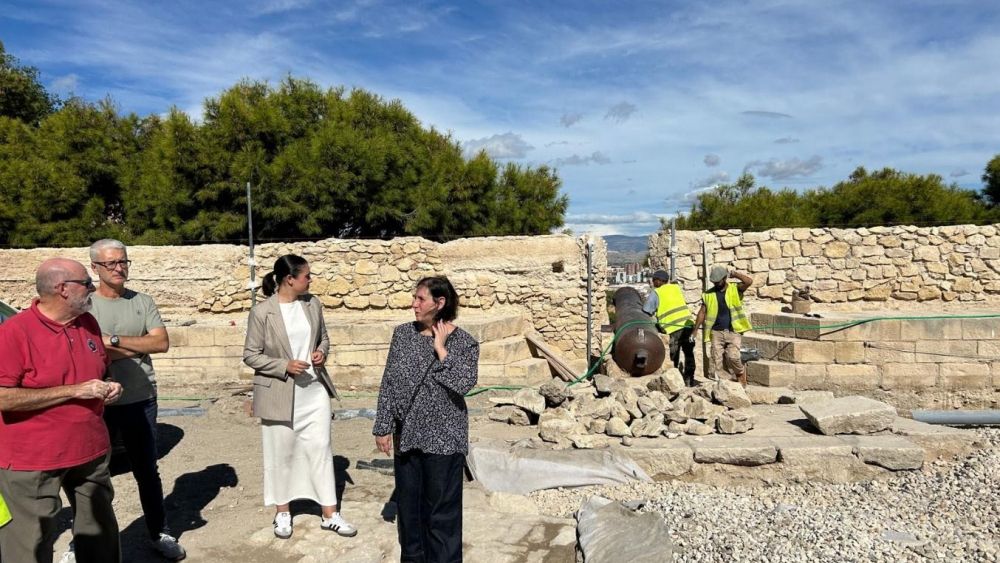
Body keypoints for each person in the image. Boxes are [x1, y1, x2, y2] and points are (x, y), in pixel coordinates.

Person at [0, 258, 123, 563]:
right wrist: (73, 391)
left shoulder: (88, 323)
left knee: (101, 536)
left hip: (90, 452)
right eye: (86, 283)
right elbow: (2, 397)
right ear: (62, 289)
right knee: (28, 544)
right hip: (33, 460)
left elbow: (102, 370)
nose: (93, 287)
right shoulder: (14, 332)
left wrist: (111, 385)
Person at [242, 254, 357, 539]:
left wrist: (321, 353)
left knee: (320, 449)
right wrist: (284, 365)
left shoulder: (312, 304)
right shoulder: (261, 312)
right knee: (281, 452)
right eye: (306, 275)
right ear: (289, 279)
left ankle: (329, 513)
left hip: (314, 391)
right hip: (279, 393)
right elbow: (250, 355)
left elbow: (324, 338)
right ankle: (282, 512)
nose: (311, 280)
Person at [85, 239, 186, 561]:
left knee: (146, 470)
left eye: (123, 262)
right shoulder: (84, 305)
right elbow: (85, 348)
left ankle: (159, 532)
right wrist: (136, 346)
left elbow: (162, 343)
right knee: (90, 475)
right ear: (95, 268)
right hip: (96, 402)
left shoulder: (142, 301)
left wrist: (110, 342)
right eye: (111, 263)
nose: (119, 268)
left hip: (141, 398)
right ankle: (87, 541)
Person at [373, 276, 479, 563]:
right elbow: (390, 382)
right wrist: (383, 426)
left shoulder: (464, 342)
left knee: (441, 513)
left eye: (420, 299)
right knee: (409, 510)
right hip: (407, 435)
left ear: (439, 303)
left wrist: (442, 349)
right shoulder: (402, 334)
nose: (414, 304)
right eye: (414, 298)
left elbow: (464, 382)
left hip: (444, 439)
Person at [693, 265, 754, 385]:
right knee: (717, 360)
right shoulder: (708, 294)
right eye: (714, 282)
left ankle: (740, 373)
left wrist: (734, 273)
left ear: (724, 278)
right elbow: (702, 312)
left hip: (733, 330)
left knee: (733, 357)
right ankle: (727, 383)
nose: (715, 284)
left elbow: (748, 281)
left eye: (718, 281)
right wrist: (695, 330)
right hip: (716, 332)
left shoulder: (735, 289)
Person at [642, 270, 696, 386]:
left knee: (673, 356)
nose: (652, 283)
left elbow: (646, 310)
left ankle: (674, 381)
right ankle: (689, 380)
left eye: (653, 280)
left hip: (673, 328)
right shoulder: (676, 288)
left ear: (658, 281)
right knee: (689, 353)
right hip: (688, 325)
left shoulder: (657, 292)